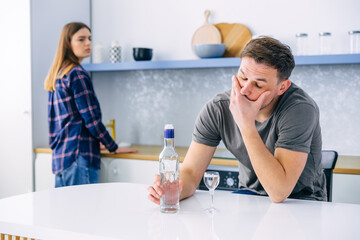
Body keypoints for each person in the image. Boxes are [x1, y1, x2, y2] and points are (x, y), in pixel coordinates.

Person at [148, 36, 326, 203]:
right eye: (243, 77)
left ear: (282, 87)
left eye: (258, 84)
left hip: (301, 201)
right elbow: (191, 172)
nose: (244, 90)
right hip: (248, 195)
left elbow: (279, 192)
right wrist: (173, 190)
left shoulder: (300, 109)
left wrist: (246, 124)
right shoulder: (218, 108)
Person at [44, 22, 137, 188]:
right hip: (79, 158)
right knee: (84, 212)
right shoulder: (77, 74)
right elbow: (92, 120)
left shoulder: (58, 76)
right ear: (68, 43)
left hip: (61, 159)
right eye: (81, 39)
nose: (88, 43)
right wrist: (113, 147)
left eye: (89, 38)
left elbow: (58, 123)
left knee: (65, 213)